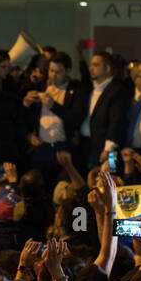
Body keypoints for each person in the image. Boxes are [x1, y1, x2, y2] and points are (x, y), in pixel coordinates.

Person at [25, 51, 84, 185]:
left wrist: (54, 106)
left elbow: (76, 118)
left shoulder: (75, 90)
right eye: (51, 71)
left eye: (58, 72)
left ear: (68, 71)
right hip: (41, 148)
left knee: (62, 190)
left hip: (63, 148)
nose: (53, 75)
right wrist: (26, 104)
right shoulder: (41, 86)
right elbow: (25, 117)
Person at [81, 52, 131, 172]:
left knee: (110, 179)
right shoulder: (90, 88)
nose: (91, 68)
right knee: (91, 181)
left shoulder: (117, 89)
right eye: (91, 65)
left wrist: (108, 149)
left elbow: (117, 121)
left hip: (108, 148)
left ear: (107, 68)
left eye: (96, 65)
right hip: (88, 144)